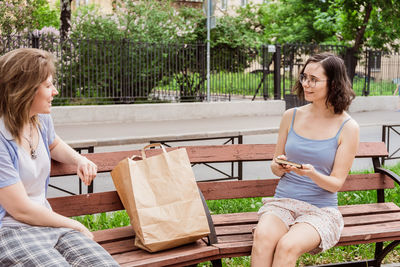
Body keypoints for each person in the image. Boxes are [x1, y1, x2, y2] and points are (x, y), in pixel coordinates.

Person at [0, 48, 119, 266]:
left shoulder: (39, 119)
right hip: (10, 231)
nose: (55, 91)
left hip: (47, 223)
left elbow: (53, 143)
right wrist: (75, 225)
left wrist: (79, 160)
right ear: (24, 90)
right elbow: (21, 210)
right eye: (47, 85)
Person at [251, 53, 360, 267]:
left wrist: (311, 174)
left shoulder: (348, 127)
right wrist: (279, 166)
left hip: (320, 209)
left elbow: (336, 183)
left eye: (314, 79)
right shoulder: (290, 116)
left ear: (334, 84)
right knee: (262, 239)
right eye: (304, 77)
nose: (306, 84)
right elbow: (275, 166)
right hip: (282, 203)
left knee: (287, 246)